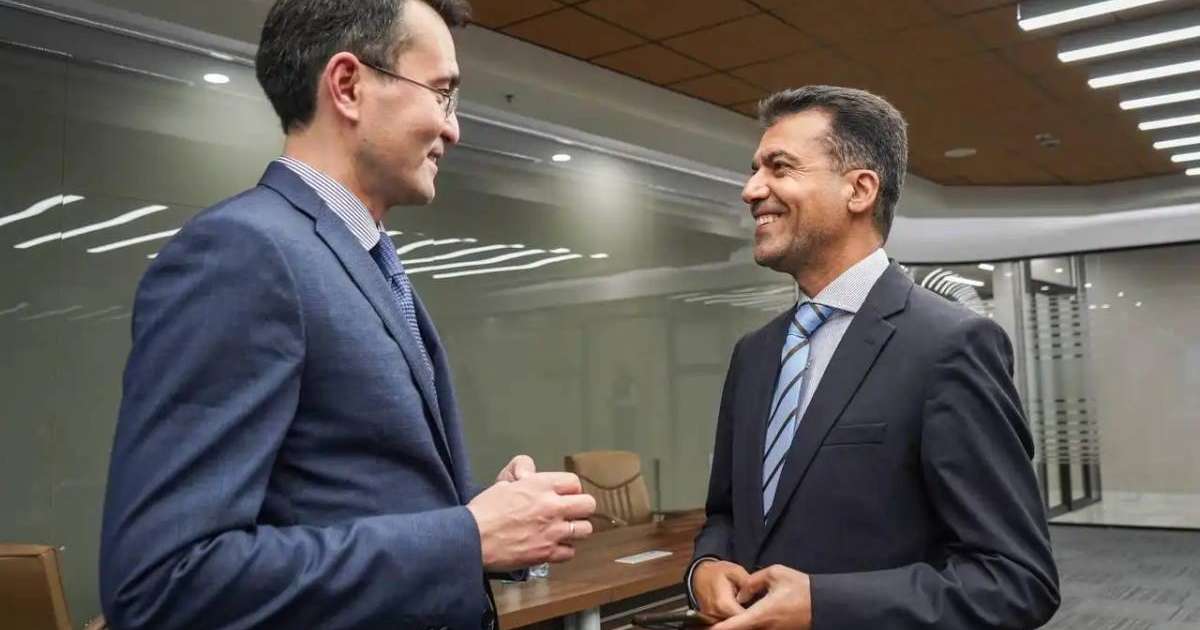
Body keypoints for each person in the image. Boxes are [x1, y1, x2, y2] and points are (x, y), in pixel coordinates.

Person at [99, 1, 595, 628]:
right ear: (348, 85)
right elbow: (165, 582)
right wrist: (466, 537)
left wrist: (490, 517)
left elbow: (340, 503)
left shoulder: (359, 256)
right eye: (442, 95)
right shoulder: (244, 253)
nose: (454, 129)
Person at [686, 85, 1060, 629]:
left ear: (859, 189)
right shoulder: (754, 354)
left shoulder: (951, 345)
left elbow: (1016, 580)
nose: (750, 189)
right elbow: (725, 512)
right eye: (754, 169)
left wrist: (824, 605)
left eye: (780, 167)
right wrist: (705, 565)